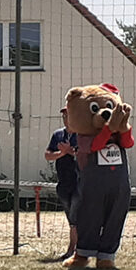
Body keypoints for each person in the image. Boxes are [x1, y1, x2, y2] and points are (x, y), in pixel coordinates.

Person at [44, 107, 79, 259]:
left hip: (80, 182)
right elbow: (48, 155)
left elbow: (86, 155)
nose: (66, 118)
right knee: (71, 217)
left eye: (69, 115)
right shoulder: (58, 135)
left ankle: (76, 248)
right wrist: (61, 153)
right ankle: (73, 248)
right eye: (64, 115)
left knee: (79, 215)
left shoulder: (83, 134)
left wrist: (70, 151)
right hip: (64, 183)